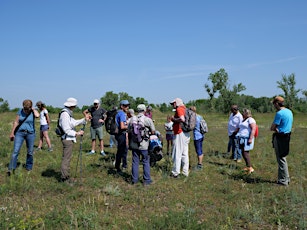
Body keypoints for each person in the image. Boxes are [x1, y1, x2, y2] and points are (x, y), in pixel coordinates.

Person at [59, 97, 90, 183]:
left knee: (67, 158)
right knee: (66, 159)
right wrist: (77, 133)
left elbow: (73, 123)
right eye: (75, 106)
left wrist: (84, 120)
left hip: (69, 138)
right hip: (67, 139)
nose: (75, 107)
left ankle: (66, 176)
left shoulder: (68, 113)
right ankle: (64, 178)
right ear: (71, 105)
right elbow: (66, 129)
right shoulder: (65, 114)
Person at [7, 99, 40, 176]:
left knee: (30, 152)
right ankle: (11, 168)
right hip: (20, 133)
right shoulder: (20, 111)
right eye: (25, 108)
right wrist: (12, 133)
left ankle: (29, 167)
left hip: (30, 134)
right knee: (15, 151)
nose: (26, 110)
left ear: (30, 107)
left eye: (27, 108)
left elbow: (37, 115)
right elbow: (16, 122)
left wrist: (33, 109)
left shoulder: (32, 112)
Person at [128, 104, 155, 185]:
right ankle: (146, 180)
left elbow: (128, 130)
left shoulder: (132, 119)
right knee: (145, 161)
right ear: (144, 110)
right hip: (144, 144)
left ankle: (134, 180)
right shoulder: (147, 119)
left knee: (135, 161)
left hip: (134, 144)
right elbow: (153, 131)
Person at [270, 96, 293, 186]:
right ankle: (284, 178)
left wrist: (275, 129)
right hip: (287, 136)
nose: (274, 106)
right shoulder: (289, 111)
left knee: (281, 159)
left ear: (276, 103)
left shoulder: (279, 113)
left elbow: (272, 127)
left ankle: (283, 181)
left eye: (274, 104)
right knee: (283, 157)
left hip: (280, 137)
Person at [170, 98, 190, 178]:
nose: (172, 105)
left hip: (179, 133)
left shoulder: (179, 109)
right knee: (184, 154)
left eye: (173, 103)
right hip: (185, 133)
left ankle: (175, 173)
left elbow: (182, 119)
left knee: (177, 153)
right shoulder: (185, 108)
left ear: (176, 103)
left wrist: (173, 119)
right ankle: (185, 172)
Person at [235, 108, 257, 174]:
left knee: (245, 152)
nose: (242, 114)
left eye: (243, 112)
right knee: (243, 152)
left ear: (247, 113)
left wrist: (250, 138)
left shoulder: (251, 120)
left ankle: (250, 167)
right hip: (241, 138)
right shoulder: (244, 120)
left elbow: (253, 129)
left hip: (247, 138)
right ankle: (248, 166)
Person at [114, 100, 130, 173]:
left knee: (120, 150)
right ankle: (118, 167)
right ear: (121, 106)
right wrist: (129, 126)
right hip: (121, 134)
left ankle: (119, 165)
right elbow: (122, 126)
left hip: (118, 134)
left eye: (128, 105)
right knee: (122, 151)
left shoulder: (118, 113)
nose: (127, 107)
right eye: (125, 106)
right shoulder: (122, 114)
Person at [190, 106, 205, 170]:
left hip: (197, 136)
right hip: (202, 135)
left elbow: (191, 127)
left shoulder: (193, 118)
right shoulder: (200, 116)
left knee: (198, 151)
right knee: (200, 150)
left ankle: (199, 165)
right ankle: (200, 163)